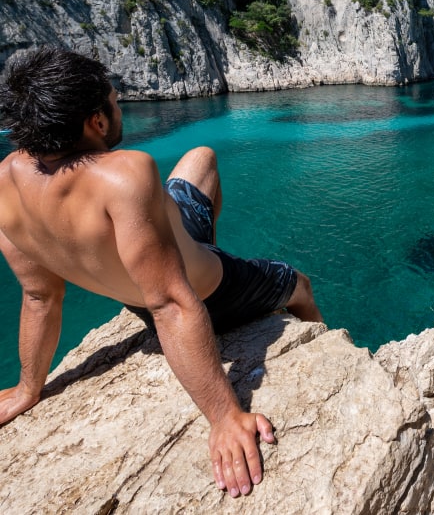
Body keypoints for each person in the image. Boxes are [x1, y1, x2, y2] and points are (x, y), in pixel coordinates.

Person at [0, 47, 323, 499]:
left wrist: (27, 387)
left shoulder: (4, 182)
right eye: (115, 102)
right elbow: (169, 303)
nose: (119, 108)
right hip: (214, 290)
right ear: (95, 121)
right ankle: (323, 336)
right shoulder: (125, 173)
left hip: (154, 249)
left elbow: (39, 296)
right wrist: (225, 417)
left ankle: (198, 246)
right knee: (301, 286)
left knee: (201, 158)